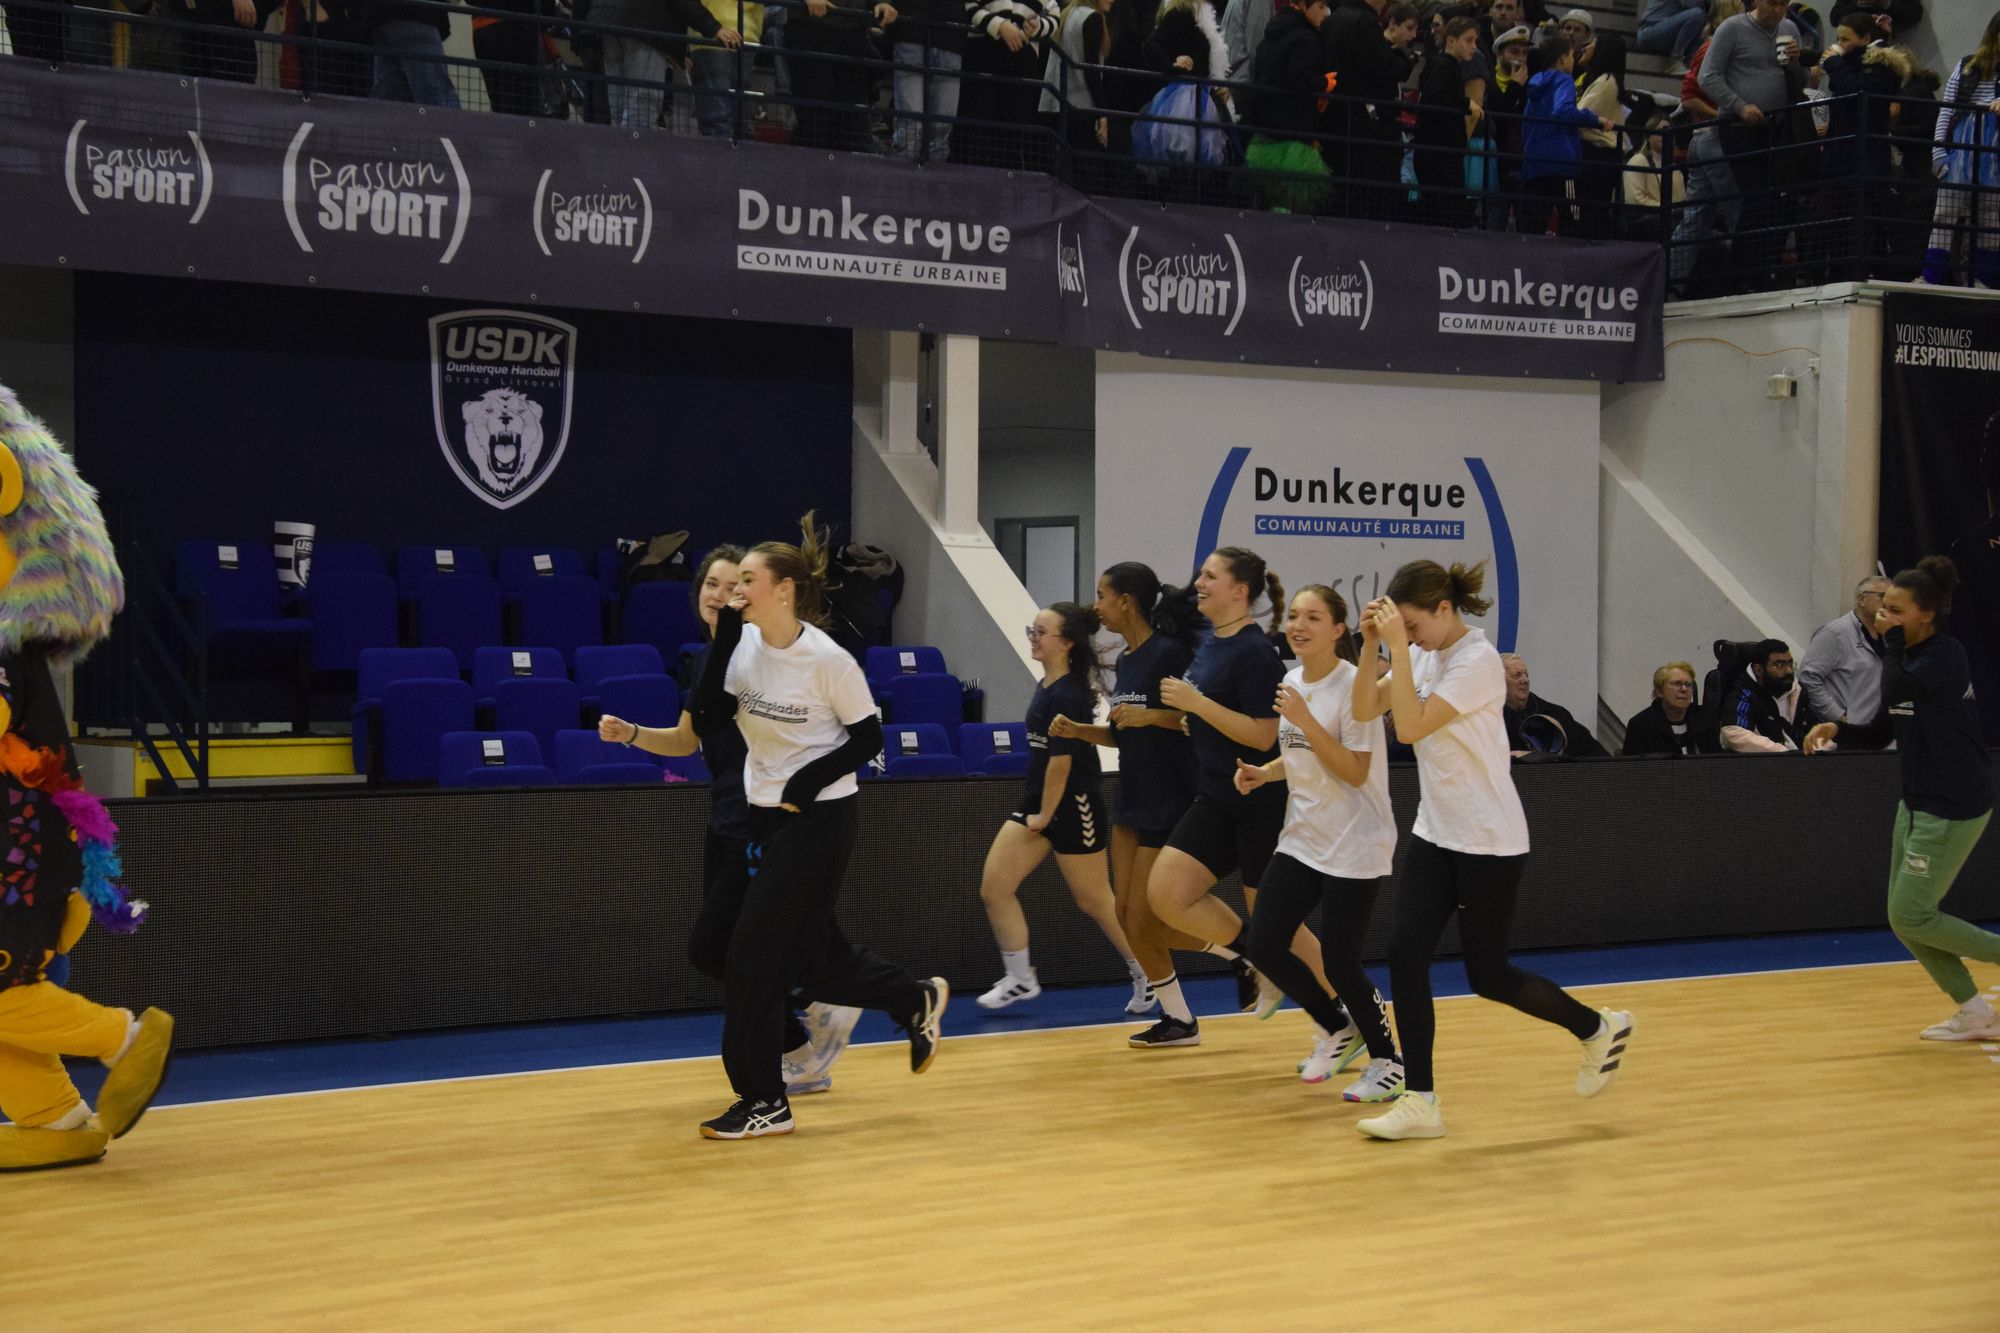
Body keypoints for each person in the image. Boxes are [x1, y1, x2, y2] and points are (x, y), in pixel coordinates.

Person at [1350, 559, 1634, 1142]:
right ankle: (1421, 1102)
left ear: (1443, 610)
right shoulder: (1423, 652)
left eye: (1412, 623)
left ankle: (1595, 1027)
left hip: (1488, 840)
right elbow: (1362, 710)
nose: (1409, 632)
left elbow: (1410, 727)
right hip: (1436, 831)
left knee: (1489, 974)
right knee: (1405, 956)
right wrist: (1371, 647)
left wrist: (1399, 653)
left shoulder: (1477, 662)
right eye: (1401, 624)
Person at [684, 512, 947, 1139]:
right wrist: (723, 638)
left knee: (753, 957)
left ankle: (764, 1100)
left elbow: (869, 740)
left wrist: (803, 785)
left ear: (784, 589)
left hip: (819, 819)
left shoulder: (826, 660)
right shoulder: (741, 646)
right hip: (760, 816)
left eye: (748, 579)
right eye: (732, 581)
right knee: (774, 950)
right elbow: (710, 716)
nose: (735, 590)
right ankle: (911, 997)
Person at [607, 546, 860, 1100]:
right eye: (711, 585)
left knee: (734, 948)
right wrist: (631, 734)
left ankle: (800, 1039)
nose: (719, 595)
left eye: (733, 585)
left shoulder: (763, 652)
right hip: (723, 821)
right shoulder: (709, 658)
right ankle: (815, 1009)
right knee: (727, 949)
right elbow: (684, 739)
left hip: (760, 820)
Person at [1143, 547, 1351, 1053]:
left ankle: (1347, 1011)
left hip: (1261, 799)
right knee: (1167, 894)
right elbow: (1221, 716)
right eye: (1202, 575)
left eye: (1211, 576)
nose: (1200, 582)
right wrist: (1199, 717)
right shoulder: (1214, 643)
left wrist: (1197, 705)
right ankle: (1253, 959)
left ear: (1240, 591)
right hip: (1216, 795)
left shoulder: (1255, 652)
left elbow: (1263, 735)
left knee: (1279, 926)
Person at [1805, 556, 2000, 1041]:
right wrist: (1837, 728)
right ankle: (1976, 1014)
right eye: (1881, 607)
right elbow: (1879, 731)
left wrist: (1890, 644)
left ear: (1925, 614)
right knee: (1905, 919)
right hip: (1915, 803)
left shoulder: (1943, 656)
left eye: (1895, 610)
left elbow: (1899, 687)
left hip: (1953, 804)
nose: (1881, 617)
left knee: (1913, 914)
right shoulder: (1907, 660)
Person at [1234, 586, 1405, 1100]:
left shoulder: (1358, 689)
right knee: (1264, 943)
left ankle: (1389, 1060)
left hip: (1355, 840)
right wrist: (1266, 773)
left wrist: (1306, 720)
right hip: (1304, 837)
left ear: (1337, 630)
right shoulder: (1291, 679)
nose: (1298, 624)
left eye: (1313, 617)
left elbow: (1354, 770)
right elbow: (1301, 751)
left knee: (1340, 962)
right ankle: (1337, 1027)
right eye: (1292, 615)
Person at [1054, 564, 1208, 1032]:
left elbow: (1194, 721)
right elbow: (1126, 733)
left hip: (1169, 796)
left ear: (1126, 601)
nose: (1096, 605)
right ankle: (1178, 1017)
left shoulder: (1171, 652)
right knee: (1126, 915)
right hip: (1130, 794)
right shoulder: (1126, 661)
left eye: (1102, 595)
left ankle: (1240, 953)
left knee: (1145, 917)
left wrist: (1152, 717)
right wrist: (1081, 731)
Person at [975, 603, 1146, 1009]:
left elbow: (1061, 764)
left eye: (1041, 632)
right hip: (1039, 805)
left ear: (1066, 643)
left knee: (1095, 901)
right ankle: (1020, 978)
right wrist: (1039, 813)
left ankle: (1147, 972)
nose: (1033, 638)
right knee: (995, 888)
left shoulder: (1068, 693)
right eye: (1031, 630)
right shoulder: (1048, 685)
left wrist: (1047, 816)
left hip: (1073, 806)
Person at [1697, 0, 1809, 284]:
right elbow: (1707, 76)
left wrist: (1798, 63)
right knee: (1756, 198)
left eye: (1783, 4)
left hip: (1779, 127)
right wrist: (1739, 106)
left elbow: (1800, 80)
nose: (1778, 10)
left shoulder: (1789, 28)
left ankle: (1762, 270)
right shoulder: (1732, 28)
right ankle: (1741, 274)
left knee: (1780, 202)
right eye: (1772, 3)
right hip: (1739, 128)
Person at [1921, 14, 2000, 289]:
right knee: (1944, 216)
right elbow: (1947, 110)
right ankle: (1931, 278)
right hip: (1961, 152)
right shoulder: (1967, 66)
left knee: (1991, 220)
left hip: (1995, 156)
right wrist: (1939, 154)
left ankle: (1983, 282)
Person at [1244, 0, 1336, 214]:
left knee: (1265, 197)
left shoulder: (1274, 31)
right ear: (1304, 5)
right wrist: (1324, 82)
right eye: (1321, 6)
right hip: (1291, 130)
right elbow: (1297, 78)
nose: (1325, 13)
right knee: (1291, 199)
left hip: (1264, 131)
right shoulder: (1307, 37)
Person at [957, 0, 1062, 169]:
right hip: (983, 58)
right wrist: (1000, 26)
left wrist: (1037, 26)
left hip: (1022, 64)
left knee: (1013, 133)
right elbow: (968, 7)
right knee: (978, 127)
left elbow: (1055, 15)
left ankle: (1008, 185)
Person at [1521, 32, 1606, 235]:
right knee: (1571, 224)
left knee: (1533, 227)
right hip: (1561, 164)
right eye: (1570, 55)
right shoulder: (1564, 80)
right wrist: (1595, 119)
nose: (1572, 60)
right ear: (1562, 59)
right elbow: (1562, 110)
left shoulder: (1534, 82)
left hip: (1534, 164)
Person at [788, 0, 899, 151]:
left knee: (853, 124)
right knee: (814, 120)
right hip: (809, 28)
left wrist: (882, 3)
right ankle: (805, 170)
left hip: (854, 34)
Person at [1414, 15, 1484, 226]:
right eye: (1469, 40)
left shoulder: (1445, 65)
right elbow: (1435, 99)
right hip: (1438, 156)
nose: (1473, 46)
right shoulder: (1444, 65)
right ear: (1451, 40)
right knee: (1444, 213)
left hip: (1440, 154)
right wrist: (1465, 103)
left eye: (1475, 41)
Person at [1800, 575, 1890, 723]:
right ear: (1862, 599)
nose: (1889, 603)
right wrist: (1838, 717)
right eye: (1883, 596)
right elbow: (1808, 678)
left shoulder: (1889, 634)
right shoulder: (1835, 633)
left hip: (1881, 730)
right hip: (1847, 732)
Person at [888, 0, 966, 160]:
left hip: (951, 39)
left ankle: (933, 182)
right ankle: (899, 183)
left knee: (941, 128)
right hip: (911, 33)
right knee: (911, 126)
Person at [1500, 652, 1608, 757]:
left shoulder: (1557, 715)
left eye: (1526, 675)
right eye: (1516, 675)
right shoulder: (1488, 721)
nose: (1525, 680)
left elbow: (1599, 757)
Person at [1719, 638, 1818, 751]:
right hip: (1765, 764)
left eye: (1790, 663)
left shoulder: (1797, 690)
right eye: (1779, 665)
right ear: (1758, 670)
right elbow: (1733, 732)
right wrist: (1782, 753)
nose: (1789, 671)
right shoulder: (1744, 693)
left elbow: (1813, 728)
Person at [1575, 30, 1628, 237]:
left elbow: (1578, 115)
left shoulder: (1607, 81)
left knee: (1591, 214)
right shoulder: (1599, 80)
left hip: (1598, 156)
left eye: (1593, 44)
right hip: (1598, 155)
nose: (1586, 47)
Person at [363, 0, 461, 106]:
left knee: (392, 89)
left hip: (385, 13)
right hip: (415, 12)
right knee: (437, 93)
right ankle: (449, 122)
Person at [1621, 661, 1715, 755]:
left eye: (1688, 684)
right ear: (1660, 692)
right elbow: (1633, 768)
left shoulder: (1705, 719)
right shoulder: (1640, 725)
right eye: (1677, 684)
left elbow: (1718, 763)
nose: (1684, 689)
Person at [1639, 0, 1708, 68]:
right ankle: (1676, 59)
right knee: (1697, 14)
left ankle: (1689, 65)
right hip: (1651, 31)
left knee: (1703, 25)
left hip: (1668, 34)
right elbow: (1691, 3)